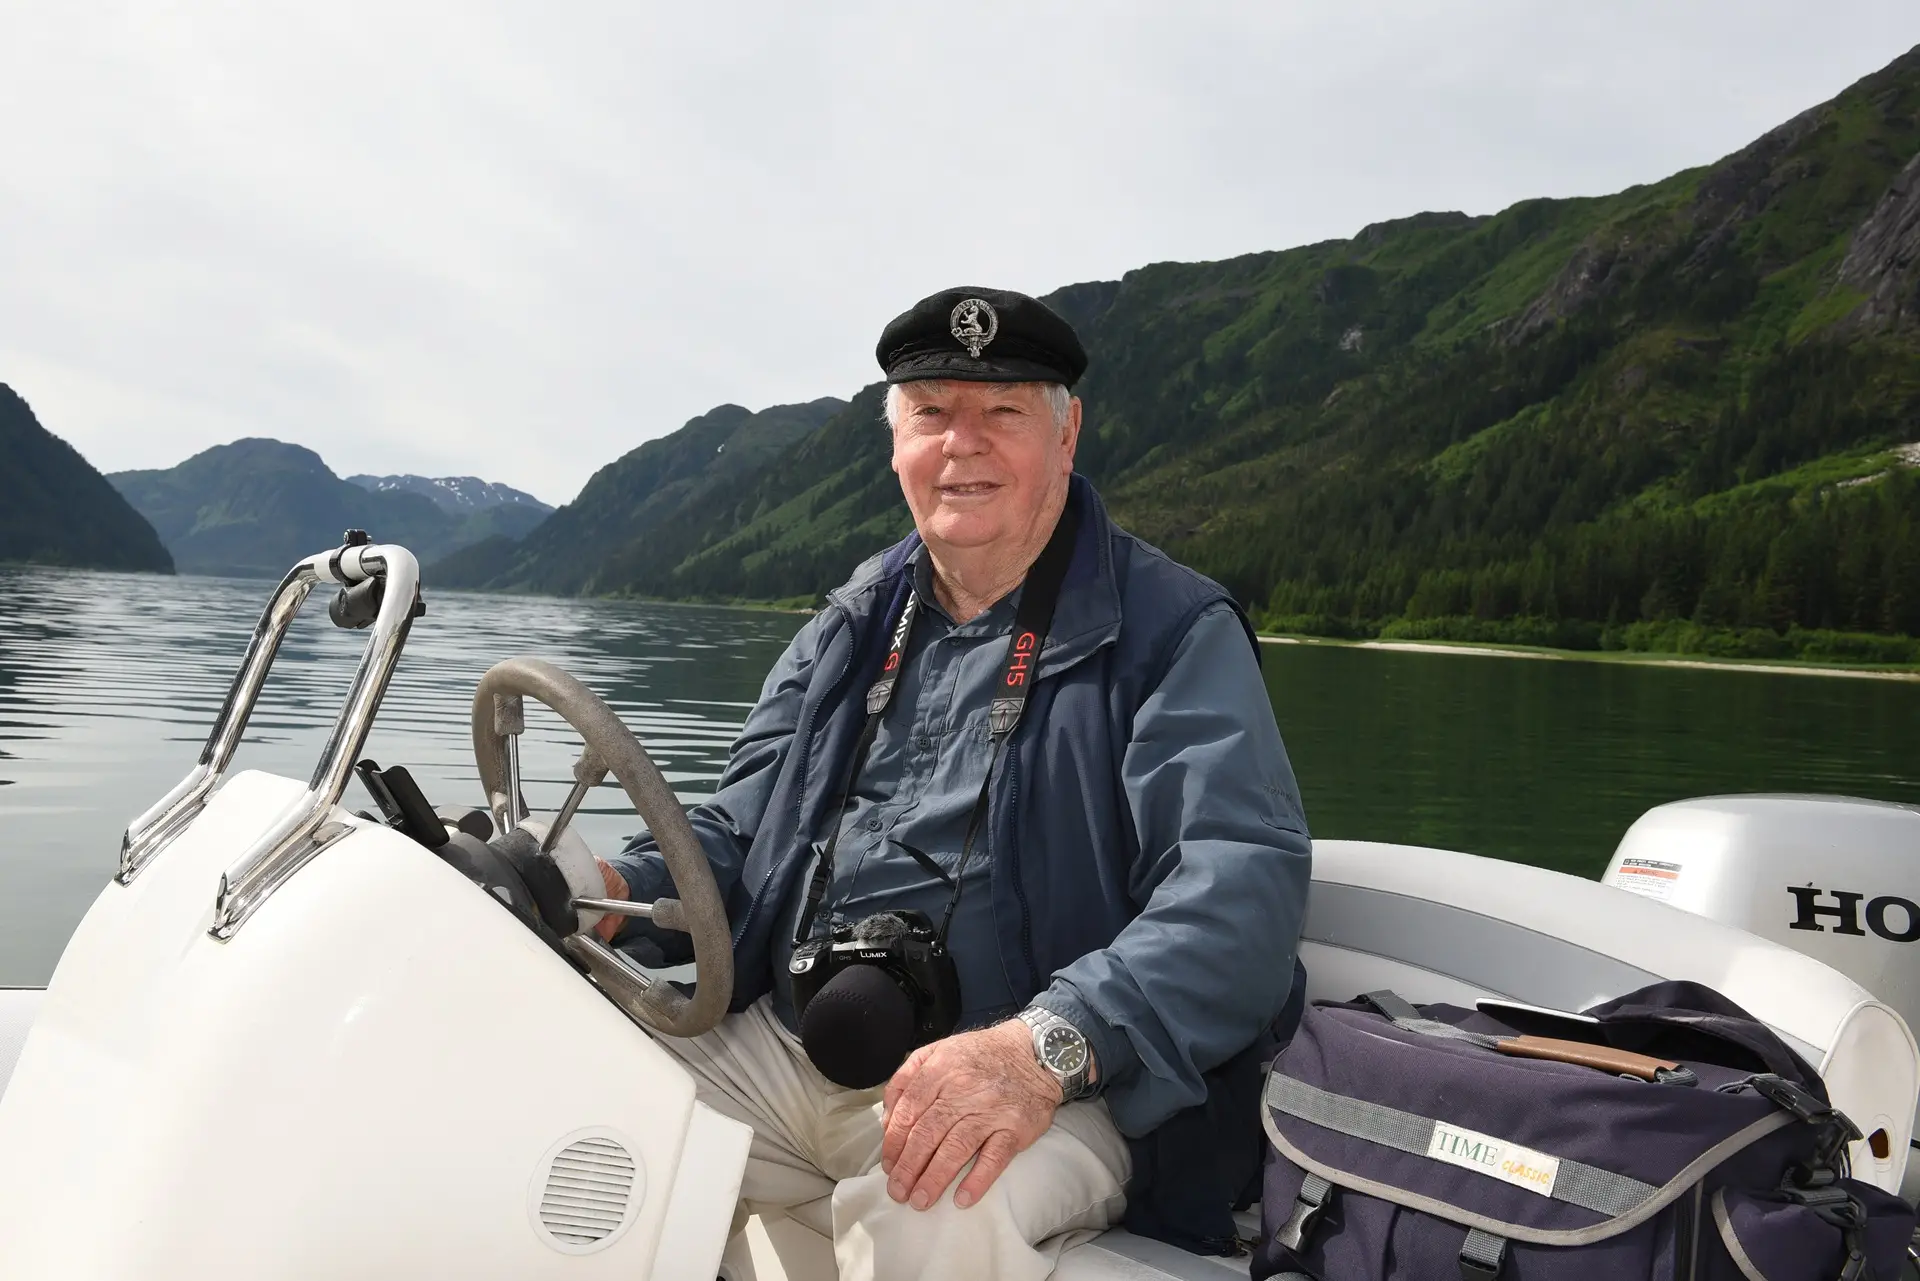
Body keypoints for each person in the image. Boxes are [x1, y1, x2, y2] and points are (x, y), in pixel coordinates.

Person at [594, 285, 1311, 1281]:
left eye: (1002, 411)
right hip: (794, 1042)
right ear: (897, 443)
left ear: (1067, 436)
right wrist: (613, 889)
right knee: (578, 1102)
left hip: (1055, 1081)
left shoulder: (1172, 632)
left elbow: (1239, 895)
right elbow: (738, 831)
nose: (961, 444)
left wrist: (1043, 1048)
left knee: (939, 1207)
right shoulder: (850, 622)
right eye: (932, 413)